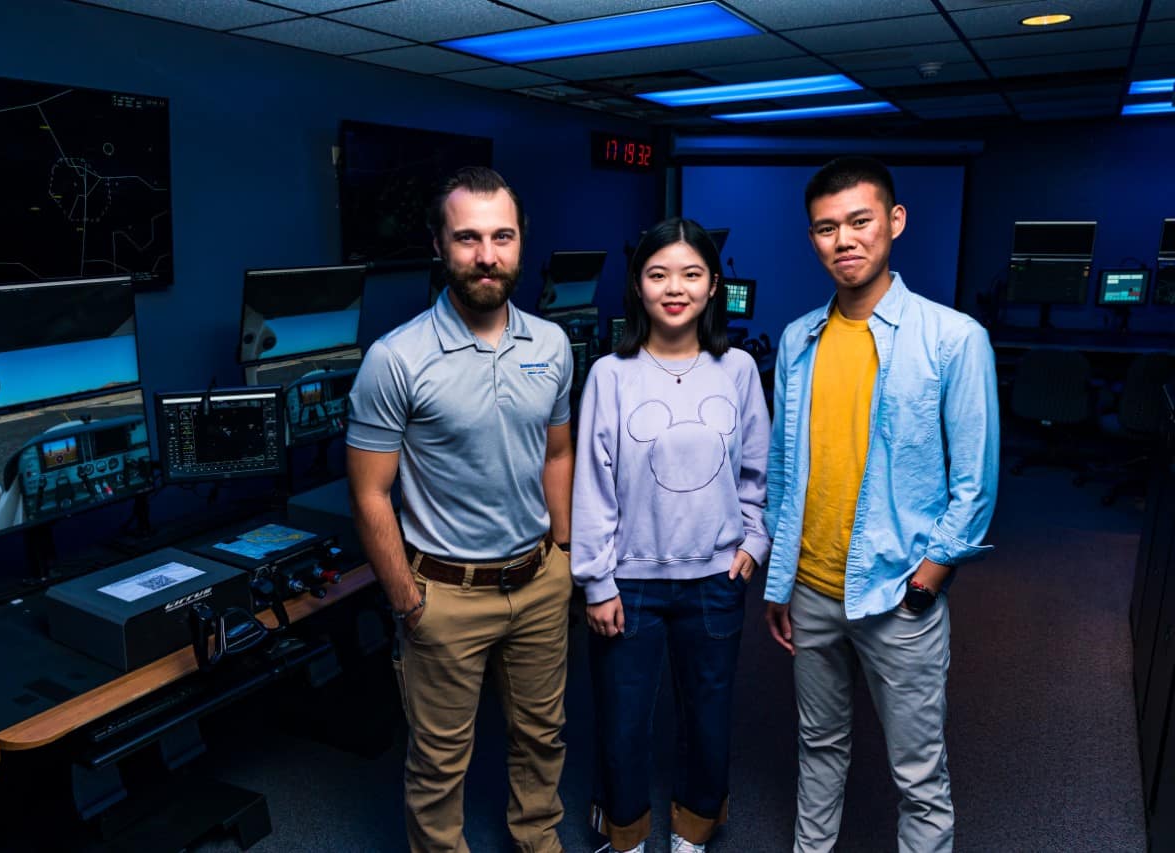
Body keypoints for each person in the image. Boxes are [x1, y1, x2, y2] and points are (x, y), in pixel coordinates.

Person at [762, 156, 1000, 852]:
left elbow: (975, 484)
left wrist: (930, 579)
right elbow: (784, 468)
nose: (844, 240)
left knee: (919, 775)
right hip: (810, 587)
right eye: (826, 228)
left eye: (860, 221)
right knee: (819, 744)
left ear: (894, 222)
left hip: (897, 594)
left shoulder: (953, 338)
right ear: (813, 239)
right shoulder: (798, 339)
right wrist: (783, 576)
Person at [346, 165, 574, 853]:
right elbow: (368, 492)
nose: (486, 255)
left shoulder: (553, 345)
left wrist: (561, 555)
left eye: (501, 236)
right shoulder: (396, 359)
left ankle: (539, 842)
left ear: (521, 244)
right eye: (468, 237)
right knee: (440, 764)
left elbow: (556, 453)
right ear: (441, 246)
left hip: (538, 583)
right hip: (444, 594)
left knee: (543, 739)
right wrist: (408, 601)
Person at [572, 218, 771, 853]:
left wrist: (751, 544)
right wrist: (597, 581)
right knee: (624, 723)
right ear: (638, 285)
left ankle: (693, 830)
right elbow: (593, 486)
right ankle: (626, 835)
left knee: (708, 719)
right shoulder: (611, 372)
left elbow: (758, 469)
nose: (675, 288)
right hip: (630, 584)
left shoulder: (737, 369)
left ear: (714, 284)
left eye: (691, 273)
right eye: (659, 274)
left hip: (715, 582)